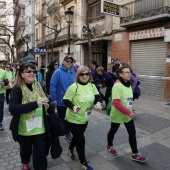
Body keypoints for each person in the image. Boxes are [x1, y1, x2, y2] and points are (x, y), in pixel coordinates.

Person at [9, 63, 55, 170]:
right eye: (28, 71)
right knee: (26, 151)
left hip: (39, 128)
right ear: (21, 74)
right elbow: (13, 108)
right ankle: (25, 163)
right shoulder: (17, 89)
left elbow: (47, 103)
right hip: (24, 130)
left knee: (40, 153)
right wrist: (36, 103)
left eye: (34, 71)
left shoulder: (39, 86)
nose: (32, 73)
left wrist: (53, 116)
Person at [63, 66, 102, 170]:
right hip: (73, 119)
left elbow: (98, 96)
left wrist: (98, 102)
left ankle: (70, 149)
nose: (85, 76)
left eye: (87, 74)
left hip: (85, 118)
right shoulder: (73, 87)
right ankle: (84, 163)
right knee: (81, 140)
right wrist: (73, 106)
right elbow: (65, 99)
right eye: (82, 74)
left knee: (77, 137)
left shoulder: (92, 86)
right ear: (78, 75)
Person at [106, 64, 147, 163]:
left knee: (132, 133)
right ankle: (109, 145)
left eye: (129, 72)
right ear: (120, 74)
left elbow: (128, 99)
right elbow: (116, 103)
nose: (129, 74)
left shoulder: (128, 83)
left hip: (127, 114)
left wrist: (131, 109)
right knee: (113, 131)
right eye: (126, 72)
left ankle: (135, 154)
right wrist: (129, 113)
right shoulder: (117, 85)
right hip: (118, 114)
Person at [50, 56, 76, 143]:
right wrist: (53, 99)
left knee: (70, 118)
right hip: (61, 101)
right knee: (61, 118)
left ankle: (67, 131)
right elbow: (52, 85)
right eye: (67, 61)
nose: (69, 62)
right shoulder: (58, 72)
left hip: (71, 101)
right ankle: (64, 132)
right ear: (63, 62)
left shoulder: (73, 72)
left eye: (71, 61)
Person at [0, 66, 8, 130]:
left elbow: (7, 81)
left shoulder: (3, 71)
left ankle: (0, 123)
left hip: (1, 94)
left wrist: (4, 83)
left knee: (0, 109)